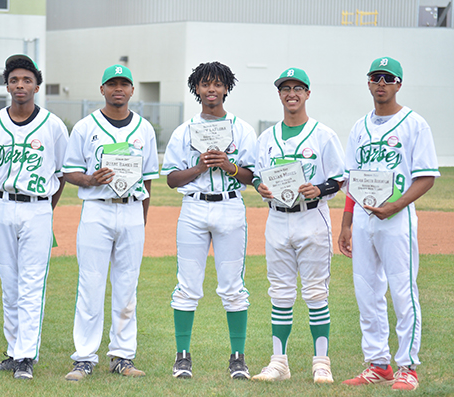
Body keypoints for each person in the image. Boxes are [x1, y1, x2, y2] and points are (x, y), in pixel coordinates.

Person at [339, 57, 439, 391]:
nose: (381, 83)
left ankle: (407, 366)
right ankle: (378, 363)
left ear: (398, 84)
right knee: (366, 292)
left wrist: (395, 205)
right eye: (375, 77)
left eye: (388, 78)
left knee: (402, 291)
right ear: (368, 83)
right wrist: (346, 224)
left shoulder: (414, 124)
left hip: (397, 220)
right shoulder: (359, 128)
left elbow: (426, 177)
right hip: (365, 221)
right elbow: (353, 180)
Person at [62, 64, 159, 381]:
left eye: (124, 84)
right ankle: (84, 358)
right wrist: (90, 180)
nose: (118, 89)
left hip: (131, 210)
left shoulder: (144, 129)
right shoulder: (85, 126)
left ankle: (122, 355)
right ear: (102, 89)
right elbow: (69, 172)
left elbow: (148, 182)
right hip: (97, 209)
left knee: (127, 287)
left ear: (132, 91)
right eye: (112, 84)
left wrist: (140, 222)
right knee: (90, 285)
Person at [161, 61, 256, 380]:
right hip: (194, 208)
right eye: (205, 84)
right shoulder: (184, 130)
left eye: (217, 84)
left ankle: (238, 357)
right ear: (196, 89)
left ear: (227, 88)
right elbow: (172, 179)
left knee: (233, 287)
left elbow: (252, 175)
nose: (211, 89)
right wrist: (201, 167)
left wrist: (228, 166)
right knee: (187, 286)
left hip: (230, 206)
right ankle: (182, 356)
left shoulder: (242, 128)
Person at [251, 68, 345, 384]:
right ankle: (279, 362)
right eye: (285, 88)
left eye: (298, 88)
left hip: (311, 216)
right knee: (279, 292)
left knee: (316, 291)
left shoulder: (323, 135)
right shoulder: (267, 137)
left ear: (307, 93)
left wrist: (319, 188)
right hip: (277, 217)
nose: (291, 93)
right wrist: (259, 187)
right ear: (279, 94)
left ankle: (322, 362)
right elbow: (255, 174)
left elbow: (339, 177)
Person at [0, 54, 68, 380]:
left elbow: (61, 174)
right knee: (9, 283)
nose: (20, 85)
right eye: (14, 79)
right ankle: (13, 351)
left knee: (31, 284)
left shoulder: (54, 125)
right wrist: (4, 201)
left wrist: (43, 207)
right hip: (2, 205)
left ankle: (26, 356)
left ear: (37, 86)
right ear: (7, 85)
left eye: (26, 80)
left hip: (38, 207)